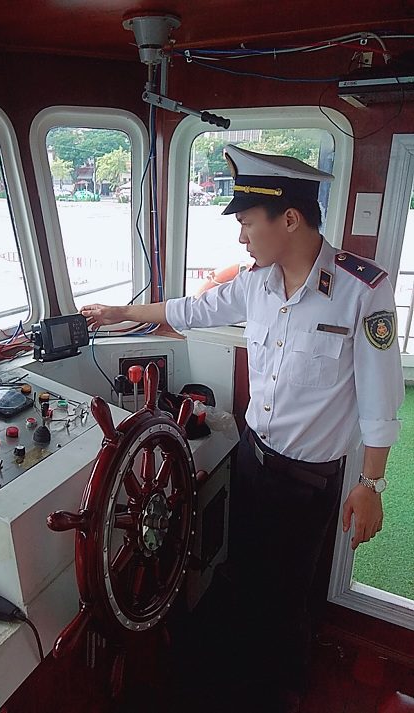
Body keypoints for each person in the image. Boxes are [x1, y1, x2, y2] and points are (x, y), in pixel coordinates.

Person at [81, 145, 404, 713]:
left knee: (288, 596)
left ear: (290, 219)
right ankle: (239, 678)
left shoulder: (362, 290)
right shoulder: (258, 285)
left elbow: (380, 397)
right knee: (246, 573)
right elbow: (191, 310)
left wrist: (371, 485)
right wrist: (120, 314)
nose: (241, 237)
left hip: (308, 481)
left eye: (248, 223)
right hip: (254, 460)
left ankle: (283, 691)